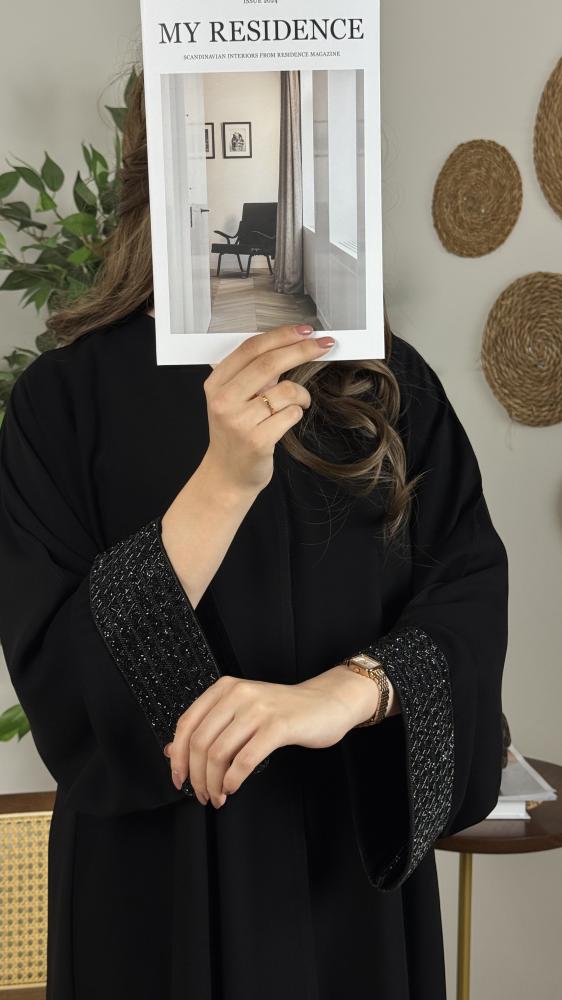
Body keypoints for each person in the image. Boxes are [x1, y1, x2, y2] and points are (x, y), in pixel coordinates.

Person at [0, 70, 509, 1000]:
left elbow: (469, 596)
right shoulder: (61, 404)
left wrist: (349, 692)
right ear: (159, 154)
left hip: (351, 899)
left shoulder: (387, 386)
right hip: (150, 910)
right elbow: (65, 694)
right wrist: (222, 485)